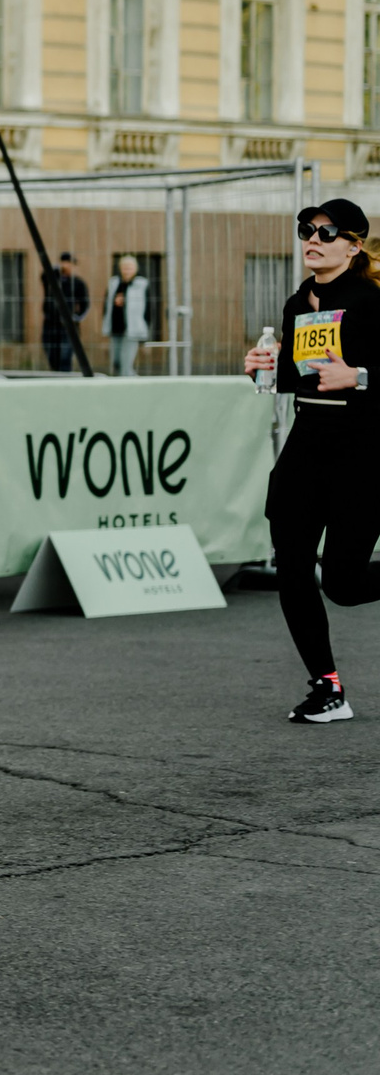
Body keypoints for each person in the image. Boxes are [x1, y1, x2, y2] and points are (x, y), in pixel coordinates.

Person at [242, 200, 380, 725]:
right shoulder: (299, 303)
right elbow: (297, 377)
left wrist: (362, 376)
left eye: (327, 231)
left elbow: (356, 375)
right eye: (307, 230)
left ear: (354, 245)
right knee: (292, 562)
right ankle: (327, 687)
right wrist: (262, 369)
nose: (313, 238)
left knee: (343, 584)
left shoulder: (370, 301)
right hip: (306, 447)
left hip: (364, 453)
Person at [41, 252, 89, 373]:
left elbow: (85, 304)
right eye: (66, 263)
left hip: (68, 326)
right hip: (50, 323)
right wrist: (58, 268)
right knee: (52, 354)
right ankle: (55, 378)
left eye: (71, 264)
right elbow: (44, 275)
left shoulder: (78, 283)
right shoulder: (52, 279)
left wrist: (76, 318)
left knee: (65, 357)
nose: (68, 266)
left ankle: (65, 378)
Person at [104, 254, 149, 377]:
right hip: (116, 327)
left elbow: (149, 309)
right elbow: (106, 305)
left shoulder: (141, 284)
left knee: (126, 363)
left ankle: (130, 385)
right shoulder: (114, 283)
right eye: (124, 267)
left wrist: (145, 333)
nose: (127, 270)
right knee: (116, 361)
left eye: (130, 267)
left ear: (135, 269)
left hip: (132, 329)